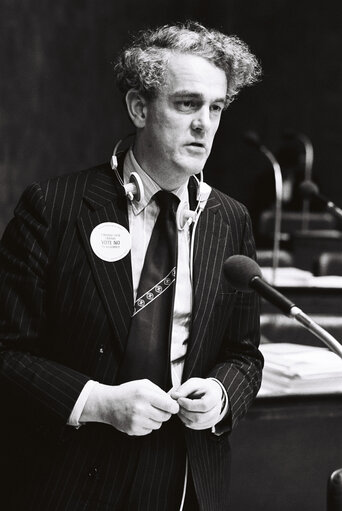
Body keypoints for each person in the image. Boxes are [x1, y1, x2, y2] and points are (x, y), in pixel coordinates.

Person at [0, 21, 263, 511]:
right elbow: (8, 351)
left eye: (217, 107)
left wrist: (221, 395)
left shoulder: (230, 218)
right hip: (70, 471)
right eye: (187, 104)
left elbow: (244, 355)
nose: (204, 123)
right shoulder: (54, 207)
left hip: (184, 472)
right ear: (139, 108)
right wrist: (99, 402)